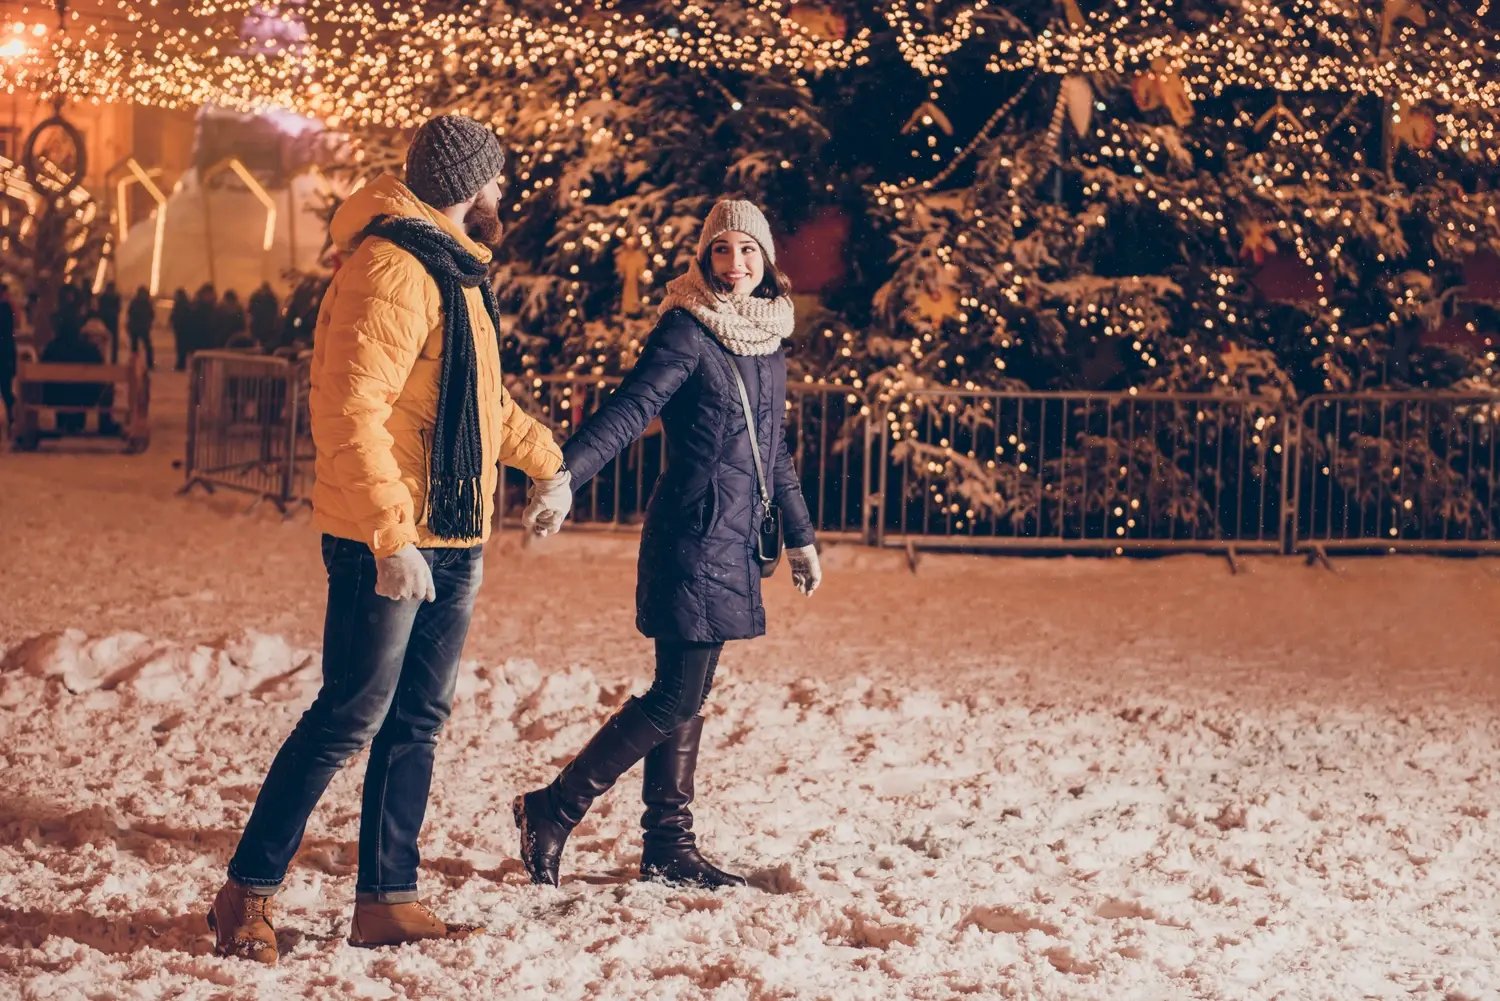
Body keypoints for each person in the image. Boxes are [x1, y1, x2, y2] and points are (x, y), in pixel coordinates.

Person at [208, 115, 566, 963]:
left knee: (417, 719)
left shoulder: (453, 270)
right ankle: (246, 894)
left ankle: (386, 897)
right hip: (391, 535)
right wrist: (387, 536)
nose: (503, 193)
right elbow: (350, 410)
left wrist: (548, 463)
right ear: (465, 185)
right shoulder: (394, 267)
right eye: (495, 179)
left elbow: (478, 408)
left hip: (451, 532)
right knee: (349, 714)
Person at [513, 199, 824, 890]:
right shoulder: (687, 330)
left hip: (736, 540)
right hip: (693, 535)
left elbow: (774, 454)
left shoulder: (767, 339)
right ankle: (555, 806)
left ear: (766, 258)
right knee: (675, 696)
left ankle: (667, 844)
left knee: (687, 693)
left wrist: (800, 536)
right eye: (720, 251)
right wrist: (564, 476)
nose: (734, 264)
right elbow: (629, 409)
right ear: (702, 258)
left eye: (746, 250)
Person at [39, 313, 114, 434]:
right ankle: (79, 422)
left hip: (54, 397)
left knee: (62, 389)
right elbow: (101, 369)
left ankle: (62, 420)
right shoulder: (88, 348)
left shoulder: (51, 348)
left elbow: (41, 368)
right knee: (92, 386)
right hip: (85, 399)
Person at [126, 287, 155, 370]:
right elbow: (152, 314)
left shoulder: (135, 302)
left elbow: (130, 313)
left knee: (135, 347)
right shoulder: (147, 303)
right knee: (146, 346)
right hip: (142, 327)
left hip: (137, 327)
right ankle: (148, 363)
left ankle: (135, 364)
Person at [248, 281, 280, 352]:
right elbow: (275, 312)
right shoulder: (272, 297)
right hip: (268, 326)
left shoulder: (255, 296)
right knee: (266, 345)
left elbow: (250, 310)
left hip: (257, 325)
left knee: (256, 344)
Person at [0, 287, 16, 424]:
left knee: (5, 388)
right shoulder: (6, 309)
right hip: (5, 354)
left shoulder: (5, 308)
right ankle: (11, 416)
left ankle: (11, 415)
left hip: (4, 354)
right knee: (6, 388)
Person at [97, 281, 122, 364]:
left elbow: (99, 308)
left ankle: (102, 358)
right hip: (113, 320)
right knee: (114, 342)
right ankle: (114, 360)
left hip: (105, 320)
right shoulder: (116, 297)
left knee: (103, 341)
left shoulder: (103, 297)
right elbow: (118, 309)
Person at [169, 289, 191, 370]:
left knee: (181, 347)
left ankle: (181, 365)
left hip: (181, 329)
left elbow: (175, 316)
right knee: (182, 348)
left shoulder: (179, 305)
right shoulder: (186, 304)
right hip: (183, 329)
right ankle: (181, 364)